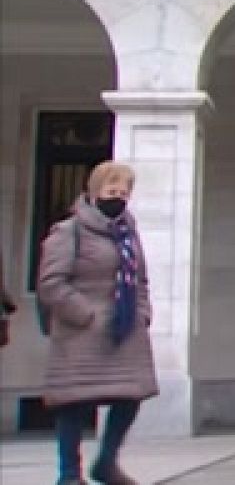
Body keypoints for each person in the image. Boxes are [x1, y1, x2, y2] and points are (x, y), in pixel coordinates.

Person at [37, 161, 156, 485]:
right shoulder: (69, 231)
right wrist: (84, 314)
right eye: (111, 191)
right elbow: (50, 283)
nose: (117, 197)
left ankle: (106, 462)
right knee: (73, 403)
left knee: (130, 397)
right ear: (94, 192)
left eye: (123, 192)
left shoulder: (129, 234)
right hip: (81, 332)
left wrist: (142, 313)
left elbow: (140, 279)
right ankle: (69, 474)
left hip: (124, 328)